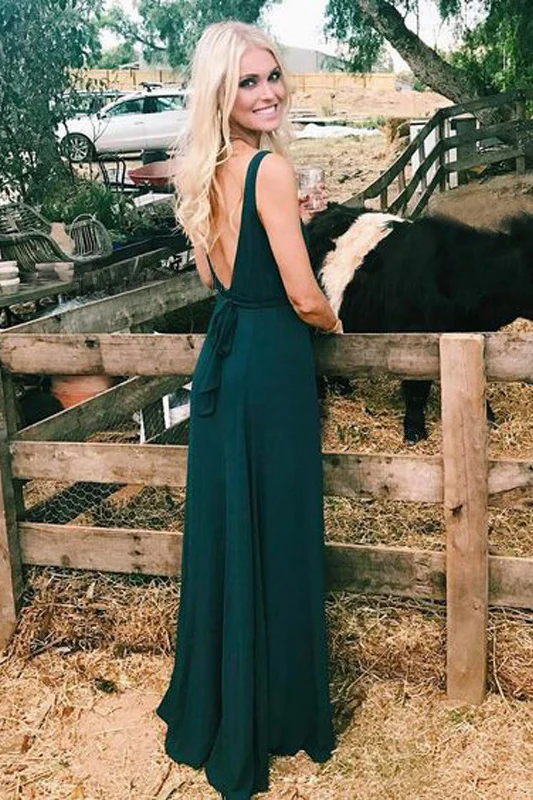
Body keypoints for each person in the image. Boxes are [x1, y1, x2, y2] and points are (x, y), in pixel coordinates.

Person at [156, 20, 343, 800]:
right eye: (248, 82)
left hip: (226, 359)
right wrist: (335, 321)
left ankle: (223, 705)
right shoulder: (269, 167)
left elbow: (216, 277)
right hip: (271, 363)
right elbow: (301, 293)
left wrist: (296, 221)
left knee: (233, 528)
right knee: (282, 528)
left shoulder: (206, 170)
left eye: (271, 76)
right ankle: (279, 711)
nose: (268, 92)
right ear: (221, 93)